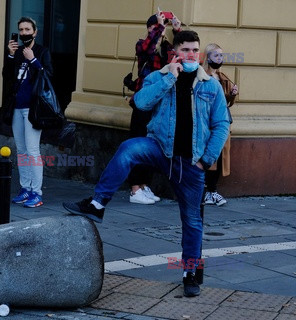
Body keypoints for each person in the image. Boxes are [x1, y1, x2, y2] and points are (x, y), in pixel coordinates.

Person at [63, 30, 230, 297]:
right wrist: (170, 79)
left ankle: (189, 274)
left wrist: (206, 160)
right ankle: (97, 204)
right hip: (159, 149)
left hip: (191, 162)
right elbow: (140, 103)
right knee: (129, 148)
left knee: (192, 220)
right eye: (186, 50)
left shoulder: (210, 85)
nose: (191, 55)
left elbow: (222, 125)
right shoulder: (160, 78)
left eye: (195, 50)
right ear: (175, 52)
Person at [127, 11, 181, 205]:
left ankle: (144, 186)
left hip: (160, 102)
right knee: (138, 142)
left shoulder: (166, 47)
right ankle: (134, 189)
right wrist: (157, 28)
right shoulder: (142, 44)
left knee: (152, 145)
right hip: (143, 102)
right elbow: (148, 48)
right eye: (154, 27)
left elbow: (180, 56)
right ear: (149, 28)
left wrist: (177, 30)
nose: (158, 30)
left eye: (159, 27)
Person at [2, 17, 52, 208]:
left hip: (33, 108)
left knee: (32, 151)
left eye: (27, 29)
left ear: (35, 31)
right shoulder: (17, 53)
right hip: (16, 107)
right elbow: (7, 78)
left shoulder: (42, 52)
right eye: (21, 30)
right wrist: (10, 55)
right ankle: (25, 188)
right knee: (21, 150)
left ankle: (36, 192)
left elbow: (48, 76)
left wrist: (33, 60)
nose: (24, 33)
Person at [202, 43, 238, 206]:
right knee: (209, 157)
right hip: (208, 123)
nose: (220, 58)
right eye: (216, 55)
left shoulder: (222, 77)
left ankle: (212, 191)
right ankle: (206, 192)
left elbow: (226, 102)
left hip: (222, 123)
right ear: (208, 58)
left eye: (221, 55)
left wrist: (231, 94)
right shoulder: (202, 76)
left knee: (219, 157)